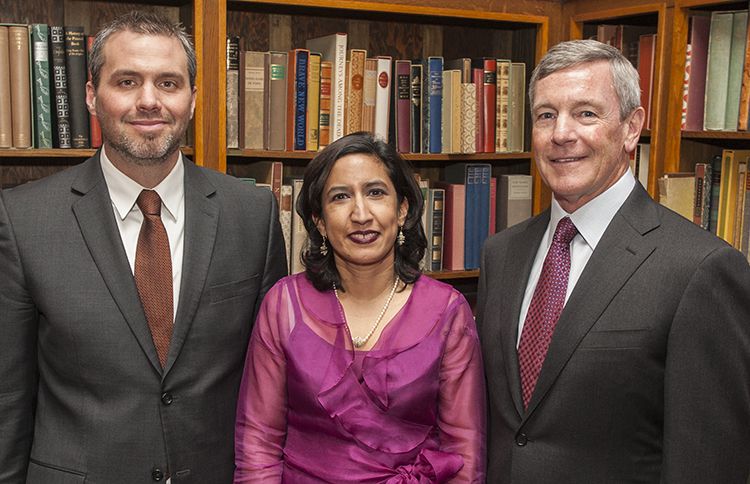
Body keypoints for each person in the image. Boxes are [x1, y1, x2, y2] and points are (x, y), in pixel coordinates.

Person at [0, 11, 287, 484]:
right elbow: (9, 400)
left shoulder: (252, 215)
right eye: (127, 81)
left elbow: (272, 386)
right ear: (92, 95)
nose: (149, 101)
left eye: (169, 83)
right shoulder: (23, 220)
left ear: (193, 100)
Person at [477, 39, 750, 483]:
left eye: (586, 113)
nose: (562, 133)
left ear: (630, 128)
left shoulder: (701, 269)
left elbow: (707, 461)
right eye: (546, 115)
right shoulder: (501, 254)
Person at [234, 132, 486, 483]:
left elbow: (465, 453)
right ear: (320, 221)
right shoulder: (283, 305)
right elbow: (258, 446)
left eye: (376, 193)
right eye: (340, 197)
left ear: (402, 209)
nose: (361, 214)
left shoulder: (447, 311)